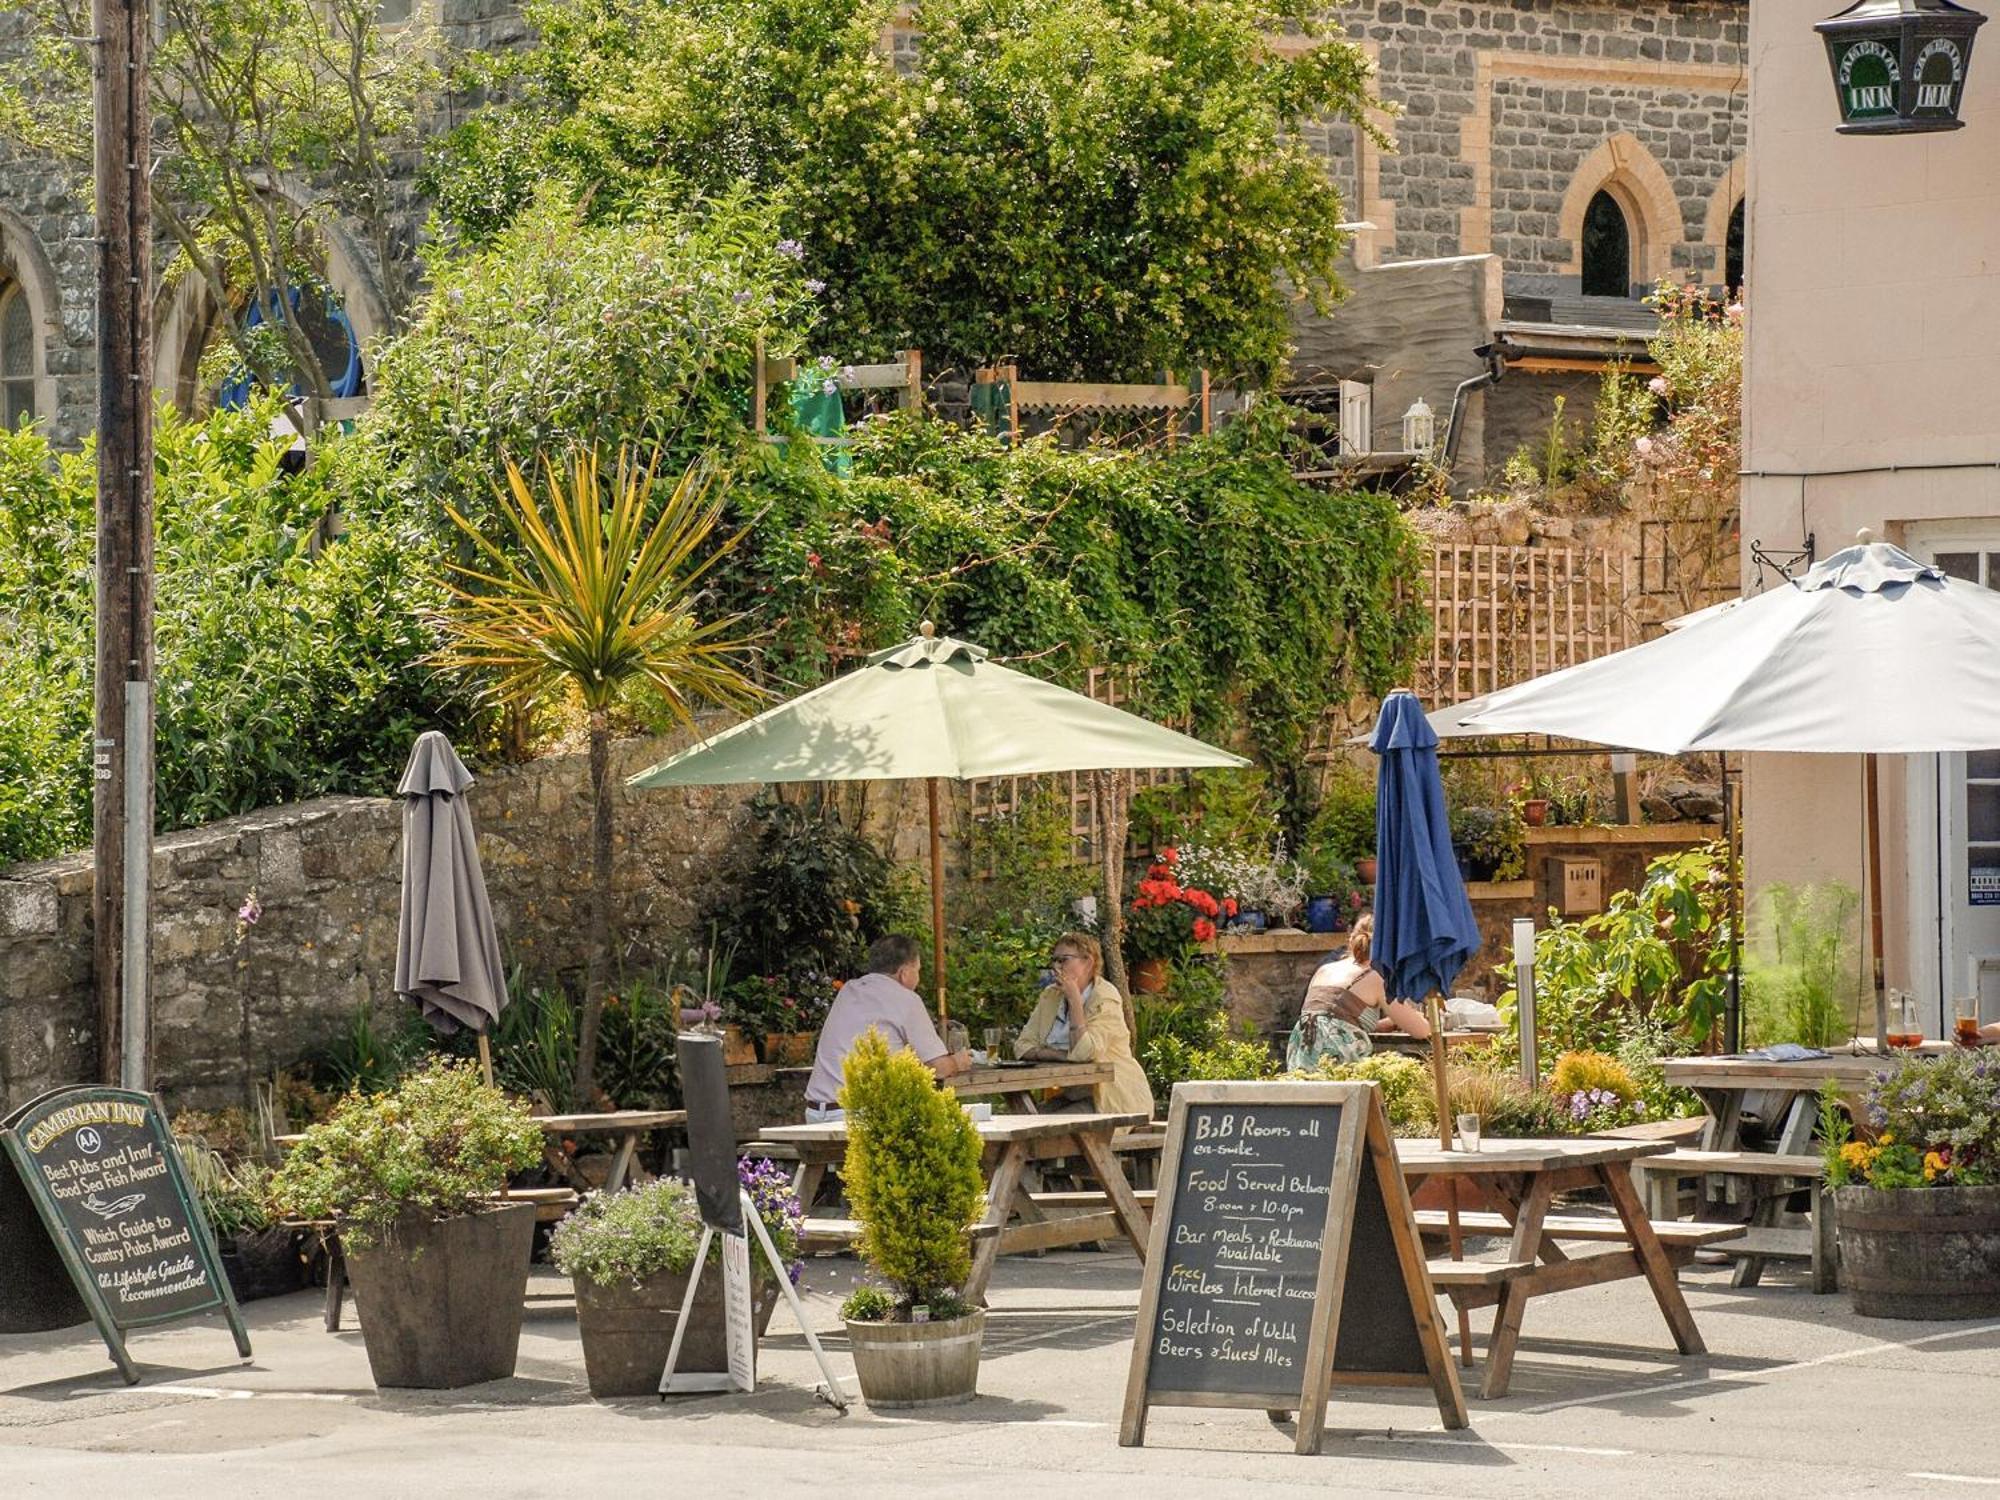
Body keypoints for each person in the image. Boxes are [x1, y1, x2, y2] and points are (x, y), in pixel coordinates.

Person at [804, 934, 971, 1121]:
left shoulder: (848, 991)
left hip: (814, 1112)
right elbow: (938, 1068)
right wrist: (958, 1061)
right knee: (942, 1130)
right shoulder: (906, 999)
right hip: (855, 1115)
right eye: (918, 970)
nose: (919, 978)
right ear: (904, 973)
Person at [1013, 932, 1155, 1117]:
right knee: (1023, 1119)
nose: (1056, 967)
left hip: (1111, 1098)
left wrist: (1075, 1000)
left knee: (1042, 1130)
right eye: (1054, 960)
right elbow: (1022, 1047)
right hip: (1072, 1095)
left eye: (1064, 960)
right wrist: (1063, 1056)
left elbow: (1084, 1052)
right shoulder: (1051, 995)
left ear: (1088, 962)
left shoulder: (1105, 997)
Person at [1285, 915, 1431, 1072]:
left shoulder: (1325, 970)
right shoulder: (1376, 976)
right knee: (1405, 1067)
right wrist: (1434, 1020)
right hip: (1339, 1065)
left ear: (1351, 940)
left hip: (1300, 1059)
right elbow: (1421, 1031)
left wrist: (1389, 1023)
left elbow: (1334, 1021)